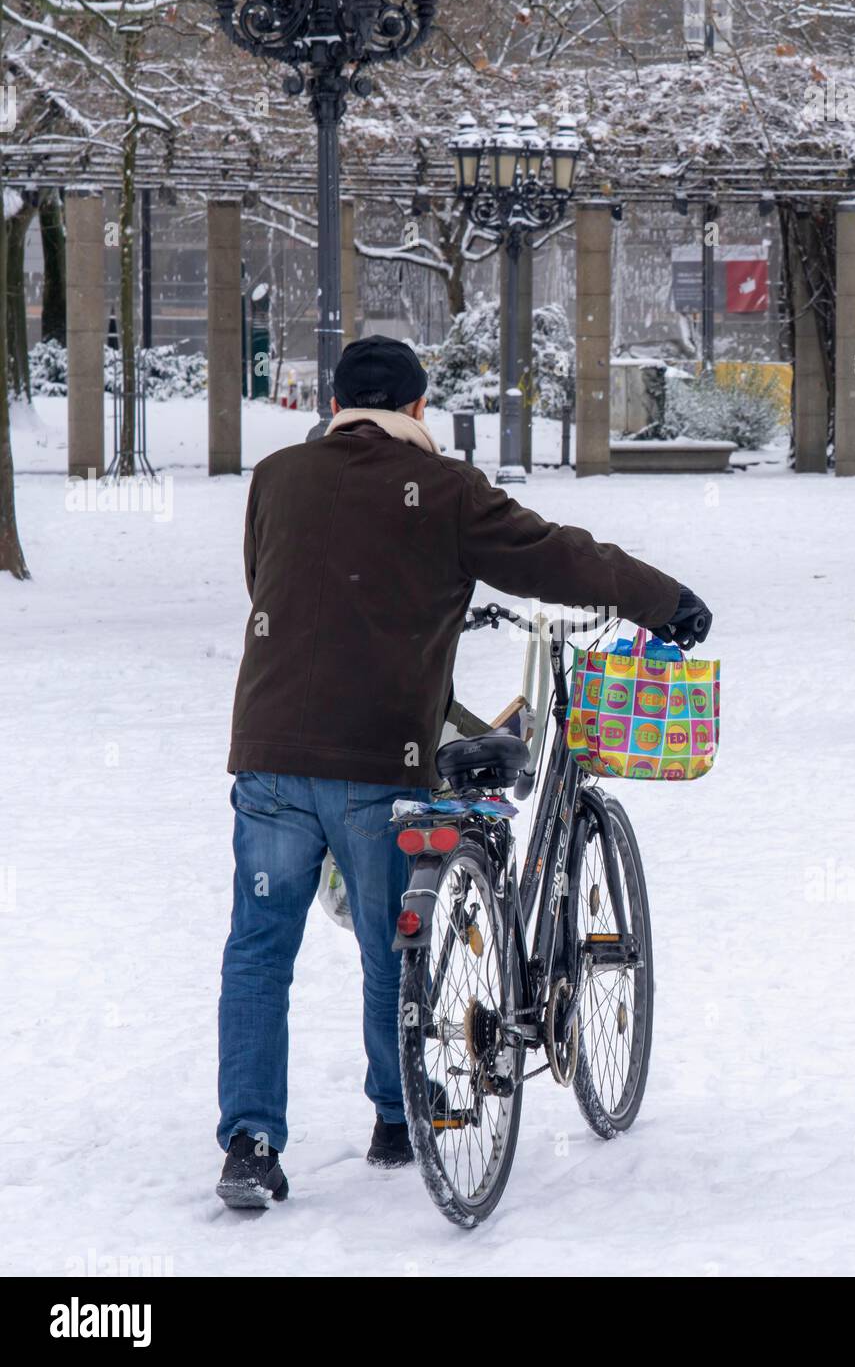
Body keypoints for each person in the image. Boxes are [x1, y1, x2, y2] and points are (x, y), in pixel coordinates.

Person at [216, 335, 712, 1207]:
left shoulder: (277, 477)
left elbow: (272, 580)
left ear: (336, 405)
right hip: (379, 756)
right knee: (388, 949)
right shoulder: (443, 491)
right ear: (415, 411)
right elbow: (559, 556)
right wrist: (664, 600)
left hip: (269, 753)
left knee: (258, 952)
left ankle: (251, 1144)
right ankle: (398, 1119)